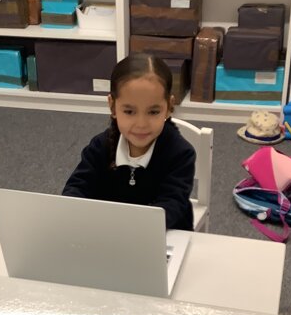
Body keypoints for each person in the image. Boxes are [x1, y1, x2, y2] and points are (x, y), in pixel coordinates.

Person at [62, 54, 196, 230]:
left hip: (164, 234)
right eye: (129, 111)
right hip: (107, 231)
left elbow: (171, 206)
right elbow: (76, 188)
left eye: (153, 112)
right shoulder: (100, 146)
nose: (141, 124)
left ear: (169, 107)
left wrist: (127, 228)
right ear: (112, 106)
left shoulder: (180, 154)